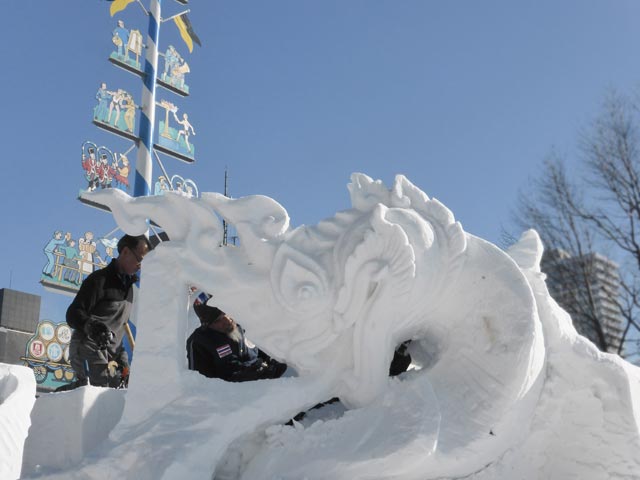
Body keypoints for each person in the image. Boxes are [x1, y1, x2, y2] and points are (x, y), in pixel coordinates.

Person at [63, 234, 151, 389]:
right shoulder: (99, 281)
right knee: (100, 393)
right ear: (125, 252)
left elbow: (119, 329)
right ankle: (56, 400)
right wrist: (93, 327)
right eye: (140, 259)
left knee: (122, 392)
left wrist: (124, 364)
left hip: (110, 353)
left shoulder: (129, 290)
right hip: (87, 348)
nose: (140, 266)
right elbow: (73, 313)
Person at [186, 294, 287, 382]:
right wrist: (244, 376)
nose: (227, 320)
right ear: (207, 324)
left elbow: (263, 350)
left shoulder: (242, 325)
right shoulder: (199, 342)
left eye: (226, 313)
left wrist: (273, 363)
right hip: (236, 397)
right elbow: (201, 383)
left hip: (267, 385)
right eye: (218, 320)